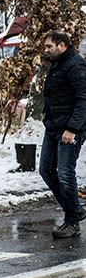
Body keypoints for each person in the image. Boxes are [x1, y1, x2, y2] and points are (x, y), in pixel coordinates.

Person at [39, 31, 86, 239]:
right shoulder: (57, 65)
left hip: (70, 129)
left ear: (62, 46)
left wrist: (72, 129)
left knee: (65, 173)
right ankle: (75, 209)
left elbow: (84, 100)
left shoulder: (75, 65)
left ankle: (72, 221)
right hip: (54, 126)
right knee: (46, 170)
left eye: (49, 46)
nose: (45, 50)